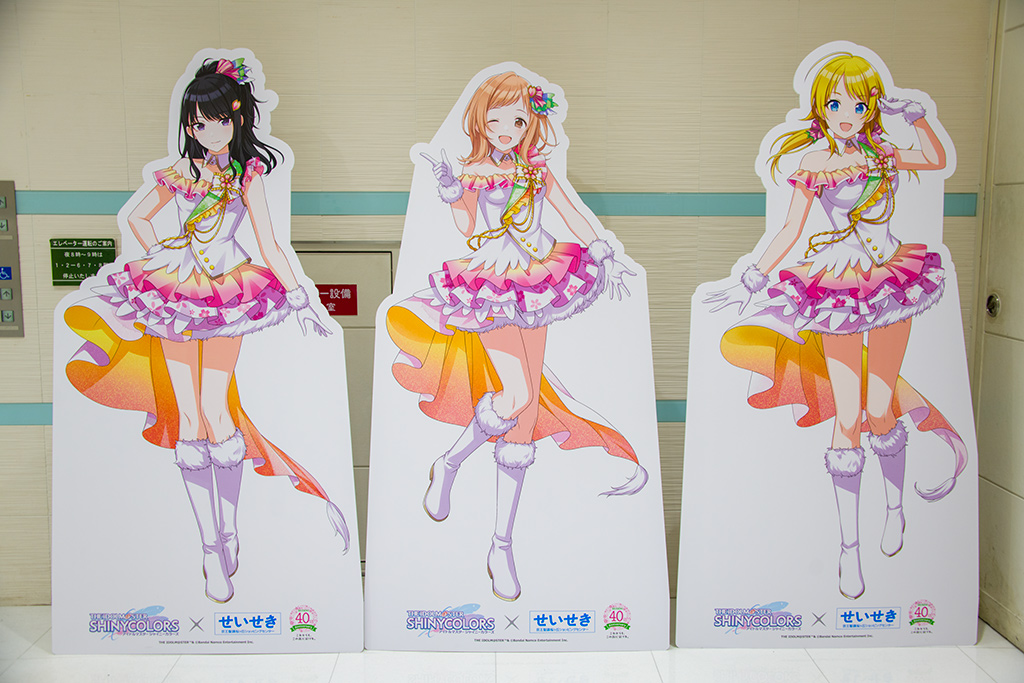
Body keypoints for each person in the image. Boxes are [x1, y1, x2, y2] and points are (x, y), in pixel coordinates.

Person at [64, 58, 347, 604]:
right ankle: (209, 546)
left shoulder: (247, 175)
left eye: (217, 120)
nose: (207, 131)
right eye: (197, 122)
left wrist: (299, 298)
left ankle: (230, 530)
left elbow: (268, 241)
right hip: (178, 286)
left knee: (216, 413)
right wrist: (163, 256)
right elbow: (138, 217)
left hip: (227, 289)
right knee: (189, 419)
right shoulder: (181, 171)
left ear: (236, 118)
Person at [706, 52, 967, 600]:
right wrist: (752, 277)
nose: (846, 115)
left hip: (892, 276)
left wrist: (918, 117)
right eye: (835, 104)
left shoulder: (883, 152)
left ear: (871, 108)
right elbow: (788, 230)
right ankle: (849, 547)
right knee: (848, 416)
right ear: (820, 107)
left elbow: (936, 158)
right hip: (838, 282)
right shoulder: (813, 163)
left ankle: (894, 507)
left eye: (858, 105)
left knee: (881, 408)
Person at [387, 71, 646, 601]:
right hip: (491, 279)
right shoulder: (473, 171)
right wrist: (450, 187)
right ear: (480, 120)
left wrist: (602, 250)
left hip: (541, 273)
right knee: (518, 394)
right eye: (497, 119)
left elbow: (569, 210)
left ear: (531, 124)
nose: (507, 129)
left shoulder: (536, 169)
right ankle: (450, 462)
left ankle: (500, 545)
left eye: (519, 120)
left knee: (522, 422)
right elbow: (467, 228)